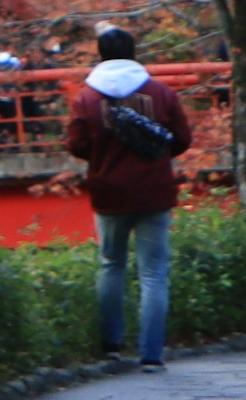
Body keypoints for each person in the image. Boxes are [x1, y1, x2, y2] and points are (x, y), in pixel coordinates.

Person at [64, 27, 194, 370]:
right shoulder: (161, 93)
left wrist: (102, 153)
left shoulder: (88, 97)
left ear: (100, 53)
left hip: (109, 190)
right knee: (153, 273)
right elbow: (181, 139)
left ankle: (111, 344)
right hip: (154, 190)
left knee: (111, 265)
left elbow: (76, 144)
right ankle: (151, 354)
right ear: (134, 51)